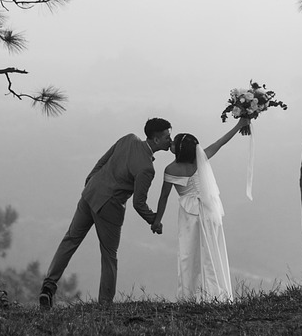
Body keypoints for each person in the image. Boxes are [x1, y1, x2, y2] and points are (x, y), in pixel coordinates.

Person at [39, 117, 173, 307]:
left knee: (70, 239)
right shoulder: (146, 169)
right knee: (109, 255)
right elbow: (139, 203)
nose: (171, 139)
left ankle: (48, 286)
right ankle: (105, 304)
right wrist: (154, 221)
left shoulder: (129, 139)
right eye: (168, 136)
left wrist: (91, 181)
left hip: (91, 192)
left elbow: (103, 160)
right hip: (110, 206)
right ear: (156, 140)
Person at [152, 119, 246, 302]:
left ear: (179, 150)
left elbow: (163, 197)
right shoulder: (200, 159)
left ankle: (191, 295)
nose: (170, 143)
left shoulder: (171, 169)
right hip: (210, 211)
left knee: (190, 254)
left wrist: (157, 220)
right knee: (213, 251)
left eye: (174, 143)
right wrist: (239, 125)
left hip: (190, 216)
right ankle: (217, 294)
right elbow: (220, 143)